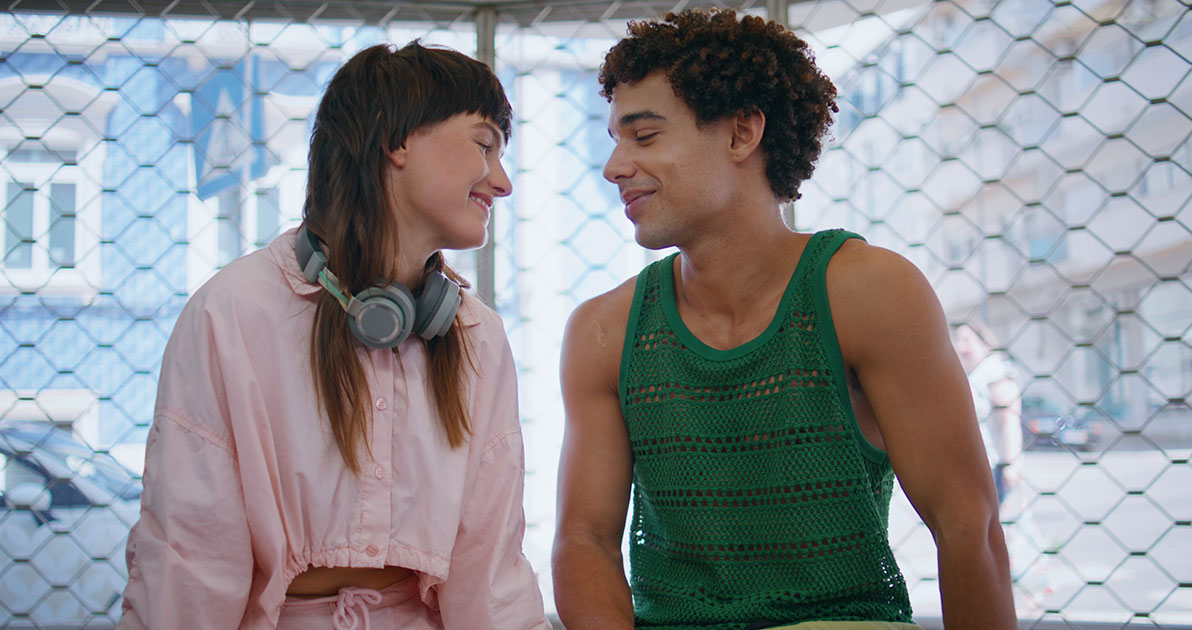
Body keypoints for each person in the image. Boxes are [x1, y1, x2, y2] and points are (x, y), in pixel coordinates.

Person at [552, 9, 1017, 630]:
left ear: (742, 134)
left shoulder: (870, 293)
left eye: (644, 136)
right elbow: (583, 540)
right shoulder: (602, 331)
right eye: (615, 140)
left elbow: (968, 526)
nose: (614, 166)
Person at [119, 42, 550, 630]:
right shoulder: (231, 313)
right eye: (484, 145)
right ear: (396, 141)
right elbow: (188, 565)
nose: (501, 182)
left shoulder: (479, 336)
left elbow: (491, 580)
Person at [952, 324, 1024, 506]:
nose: (961, 346)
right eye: (957, 340)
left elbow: (1009, 420)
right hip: (976, 469)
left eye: (967, 340)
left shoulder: (994, 370)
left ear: (985, 344)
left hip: (994, 470)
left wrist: (1010, 465)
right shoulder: (973, 373)